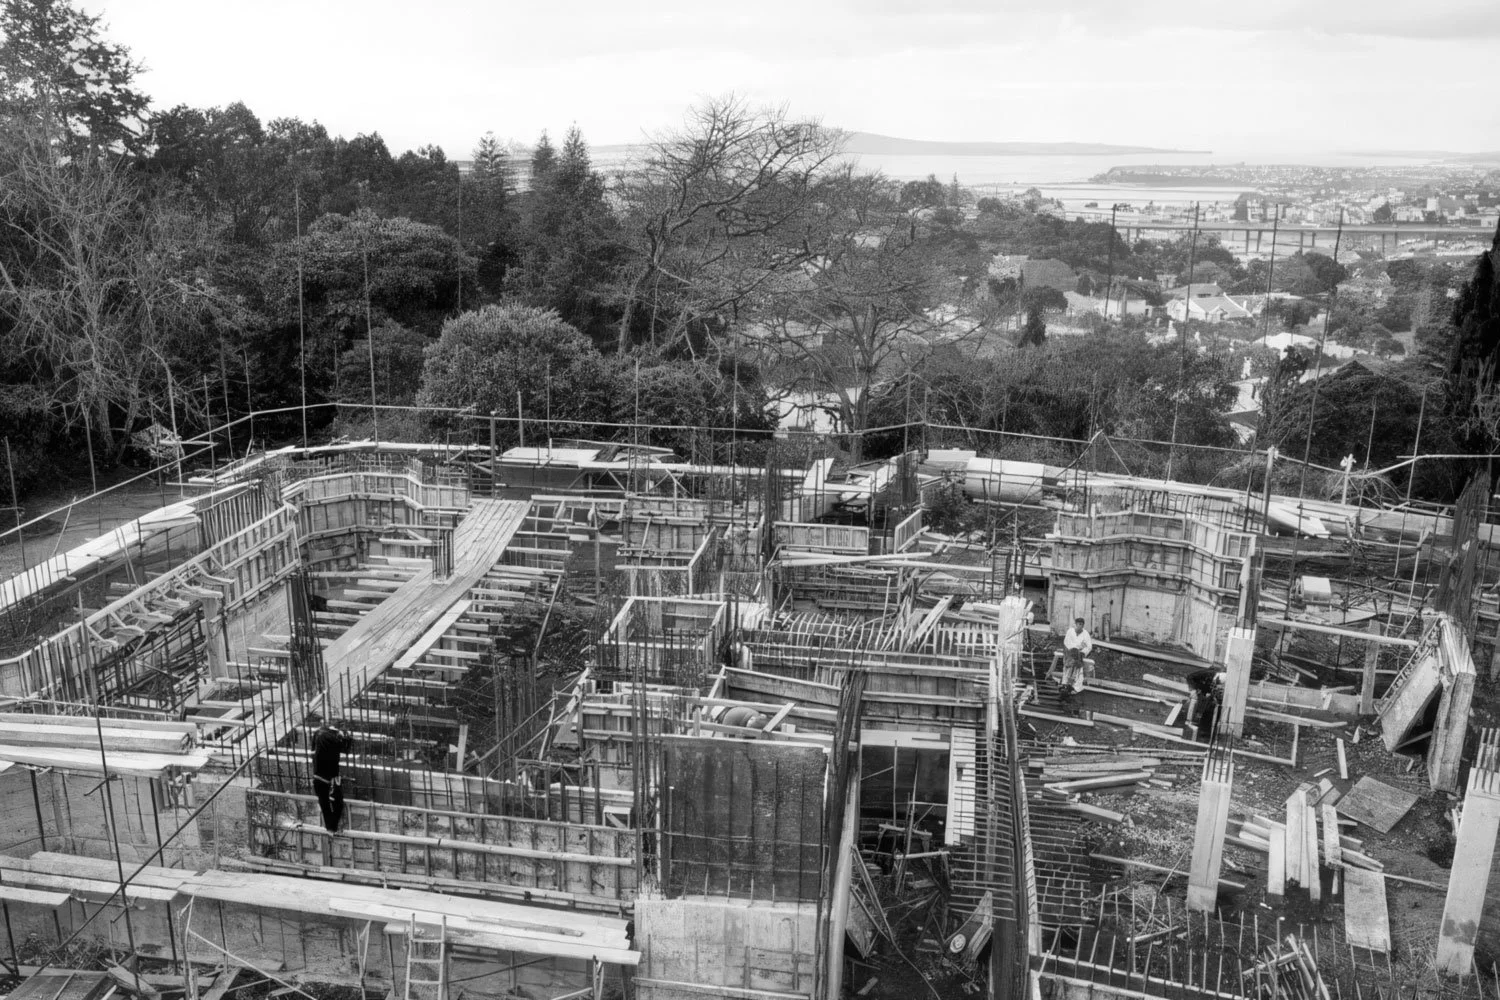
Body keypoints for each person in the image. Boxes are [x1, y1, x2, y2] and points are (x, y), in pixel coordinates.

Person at [309, 715, 352, 833]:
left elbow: (312, 753)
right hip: (330, 777)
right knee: (335, 803)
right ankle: (332, 828)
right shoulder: (335, 738)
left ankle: (331, 828)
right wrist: (346, 737)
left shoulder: (318, 734)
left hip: (319, 775)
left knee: (326, 805)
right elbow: (345, 749)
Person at [1060, 618, 1093, 693]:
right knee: (1068, 666)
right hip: (1069, 652)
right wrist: (1075, 647)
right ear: (1075, 624)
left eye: (1082, 624)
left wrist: (1083, 652)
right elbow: (1066, 642)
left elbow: (1089, 646)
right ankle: (1065, 683)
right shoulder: (1070, 631)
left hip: (1079, 654)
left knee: (1078, 667)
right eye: (1079, 624)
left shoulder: (1085, 634)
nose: (1080, 626)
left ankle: (1074, 686)